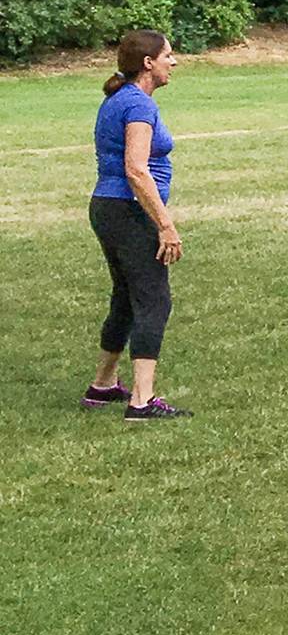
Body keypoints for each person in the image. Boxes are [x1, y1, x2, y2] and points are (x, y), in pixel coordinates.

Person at [91, 30, 188, 421]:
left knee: (126, 298)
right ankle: (141, 401)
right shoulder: (138, 105)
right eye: (167, 55)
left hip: (107, 207)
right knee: (154, 299)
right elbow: (136, 168)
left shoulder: (119, 99)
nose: (174, 61)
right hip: (129, 210)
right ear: (148, 63)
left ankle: (102, 385)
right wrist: (165, 225)